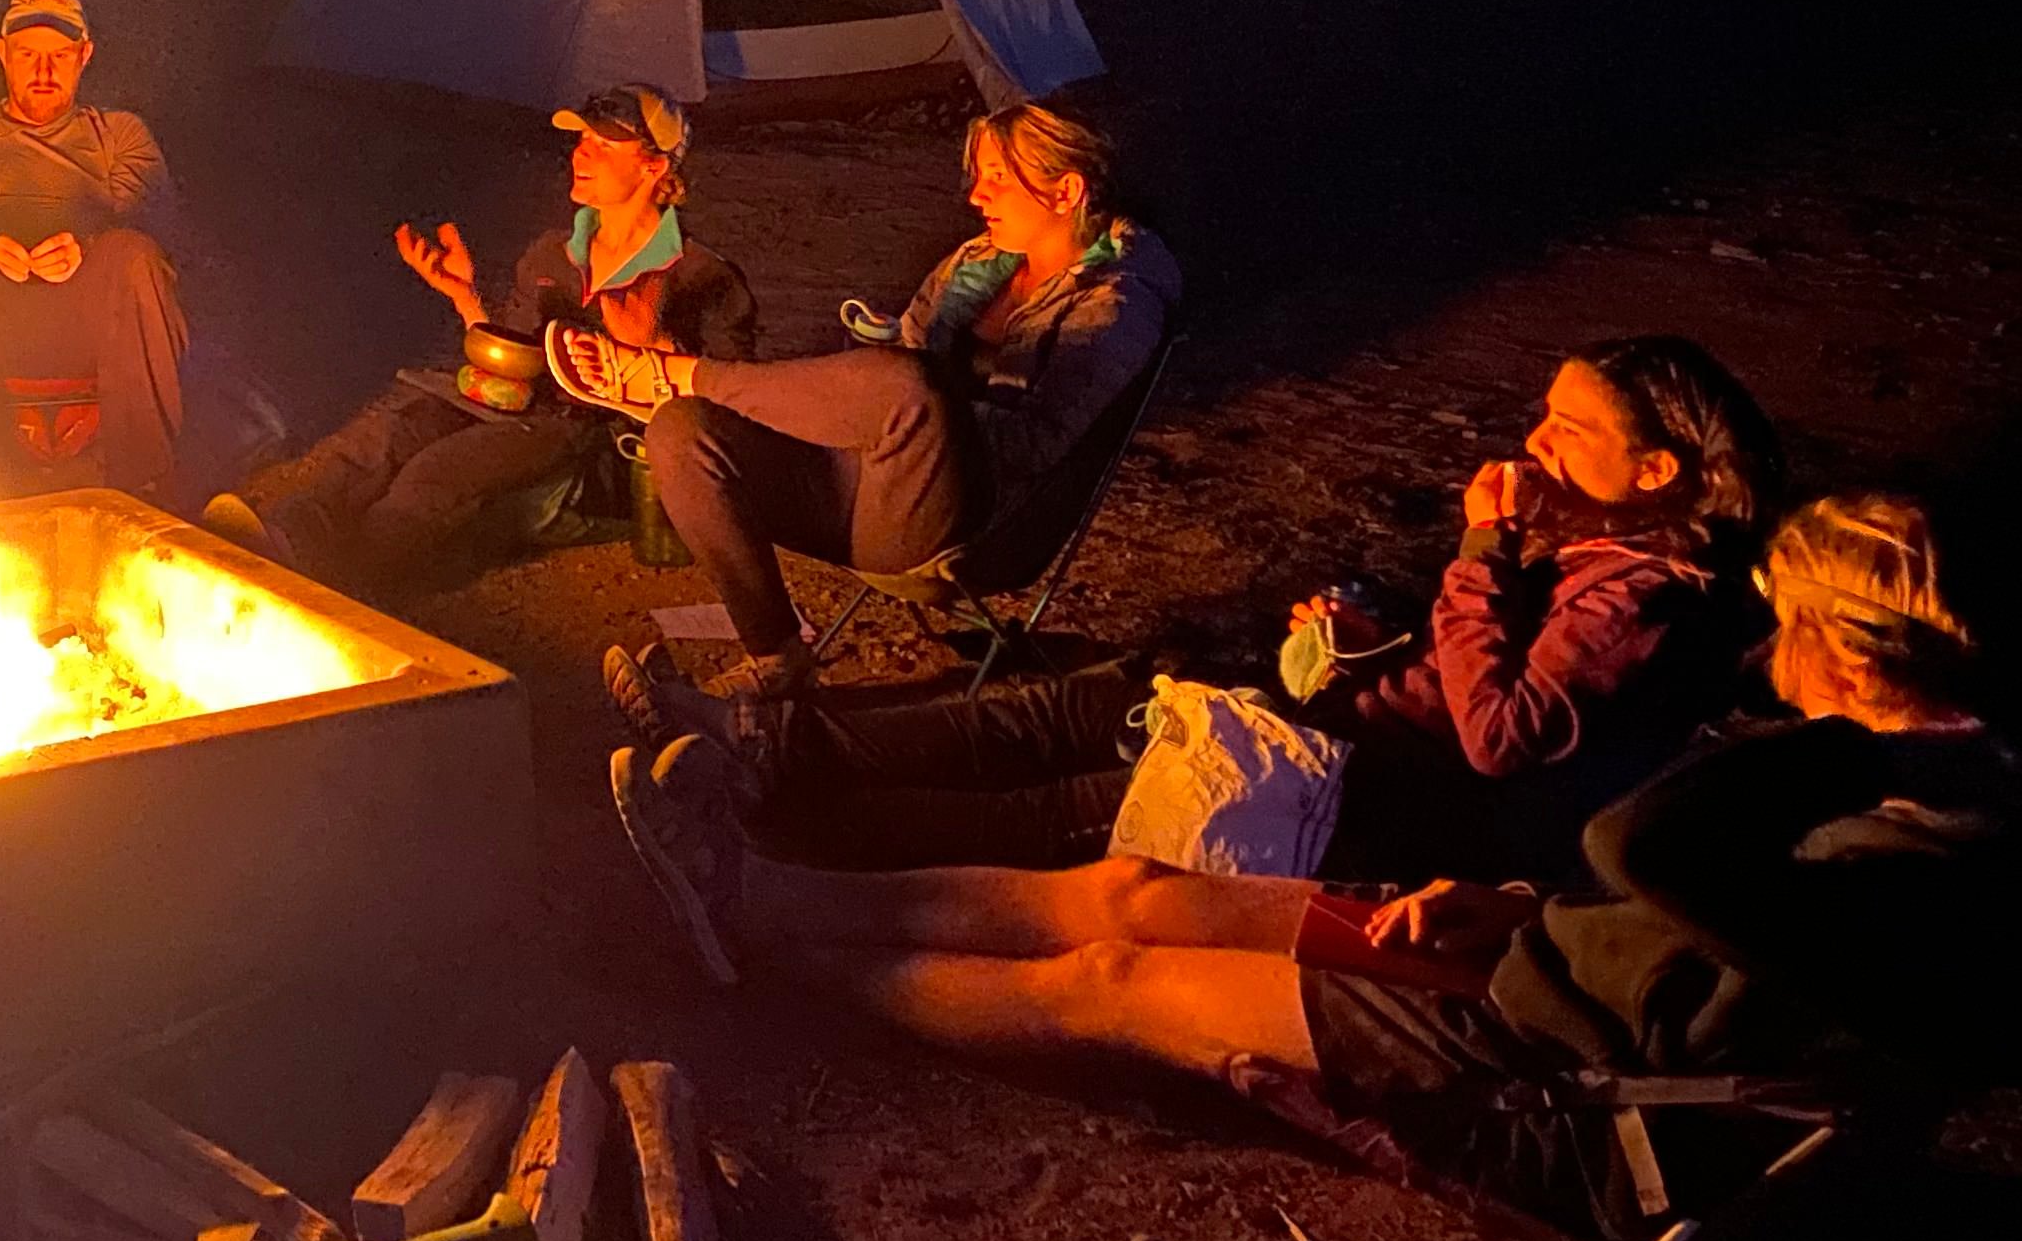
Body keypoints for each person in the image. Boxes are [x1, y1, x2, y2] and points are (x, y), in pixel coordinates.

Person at [609, 489, 2017, 1241]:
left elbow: (1643, 849)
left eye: (1794, 635)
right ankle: (765, 893)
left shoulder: (1933, 842)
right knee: (1133, 892)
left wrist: (1864, 740)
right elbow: (1686, 917)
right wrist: (1520, 909)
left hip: (1576, 1094)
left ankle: (771, 952)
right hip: (1540, 971)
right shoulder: (1915, 793)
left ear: (1855, 655)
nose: (1770, 663)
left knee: (1119, 979)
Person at [610, 336, 1784, 887]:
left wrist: (1482, 554)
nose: (1536, 443)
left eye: (1571, 434)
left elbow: (1497, 737)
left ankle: (767, 845)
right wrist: (1370, 632)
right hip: (1328, 733)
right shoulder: (1593, 552)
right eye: (1543, 414)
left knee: (1058, 809)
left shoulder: (1645, 600)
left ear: (1659, 475)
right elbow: (1470, 673)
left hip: (1349, 803)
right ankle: (764, 746)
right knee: (1057, 713)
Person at [567, 100, 1179, 697]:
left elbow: (1029, 448)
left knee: (902, 382)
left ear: (1065, 192)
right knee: (683, 429)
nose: (976, 196)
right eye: (980, 176)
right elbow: (899, 368)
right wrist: (850, 396)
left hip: (973, 530)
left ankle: (673, 371)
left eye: (998, 178)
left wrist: (919, 405)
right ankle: (777, 656)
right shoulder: (976, 264)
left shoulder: (1115, 307)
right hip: (870, 491)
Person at [211, 85, 756, 597]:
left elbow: (728, 403)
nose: (580, 156)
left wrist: (647, 353)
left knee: (435, 473)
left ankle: (342, 582)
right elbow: (511, 357)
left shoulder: (699, 275)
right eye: (581, 141)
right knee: (384, 437)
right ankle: (278, 538)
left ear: (653, 165)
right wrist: (465, 297)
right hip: (516, 403)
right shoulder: (553, 254)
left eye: (603, 146)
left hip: (590, 432)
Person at [0, 0, 195, 502]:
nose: (43, 72)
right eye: (28, 56)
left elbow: (159, 224)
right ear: (2, 54)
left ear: (84, 55)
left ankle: (143, 491)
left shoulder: (119, 135)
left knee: (134, 258)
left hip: (89, 316)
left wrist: (86, 240)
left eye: (59, 57)